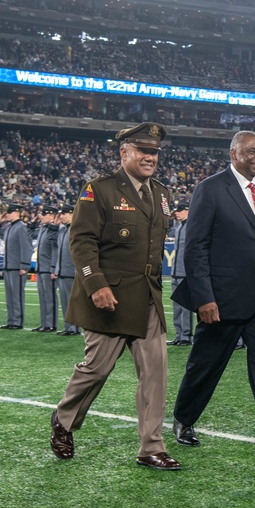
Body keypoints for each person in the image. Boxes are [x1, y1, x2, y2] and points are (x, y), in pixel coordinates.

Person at [50, 122, 181, 470]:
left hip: (148, 298)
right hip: (108, 298)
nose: (150, 157)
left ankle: (151, 446)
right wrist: (97, 285)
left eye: (154, 152)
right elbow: (81, 241)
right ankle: (63, 420)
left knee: (155, 374)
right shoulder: (100, 189)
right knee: (96, 369)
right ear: (124, 152)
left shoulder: (163, 194)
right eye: (143, 151)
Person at [170, 131, 255, 460]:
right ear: (234, 153)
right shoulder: (210, 188)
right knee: (205, 365)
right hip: (221, 298)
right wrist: (204, 298)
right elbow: (195, 248)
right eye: (251, 151)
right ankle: (184, 419)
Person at [0, 203, 32, 330]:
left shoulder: (21, 227)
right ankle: (11, 320)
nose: (7, 214)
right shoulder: (9, 228)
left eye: (10, 212)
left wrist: (24, 265)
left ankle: (17, 321)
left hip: (17, 267)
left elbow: (26, 247)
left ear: (17, 213)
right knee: (9, 296)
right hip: (9, 266)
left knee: (17, 296)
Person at [167, 200, 193, 346]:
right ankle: (179, 334)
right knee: (177, 305)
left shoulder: (192, 227)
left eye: (180, 210)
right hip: (175, 271)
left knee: (185, 306)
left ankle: (187, 335)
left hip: (184, 272)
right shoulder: (178, 227)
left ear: (188, 211)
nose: (177, 213)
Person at [52, 204, 81, 336]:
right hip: (62, 271)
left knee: (72, 302)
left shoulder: (76, 229)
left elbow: (78, 252)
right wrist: (55, 223)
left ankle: (74, 328)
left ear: (71, 214)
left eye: (64, 214)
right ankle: (68, 326)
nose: (61, 216)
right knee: (64, 301)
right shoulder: (63, 230)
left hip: (71, 272)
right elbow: (52, 241)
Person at [32, 206, 59, 333]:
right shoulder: (43, 229)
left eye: (44, 214)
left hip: (48, 268)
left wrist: (53, 268)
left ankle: (51, 324)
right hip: (41, 268)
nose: (41, 216)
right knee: (43, 298)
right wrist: (33, 221)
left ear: (52, 215)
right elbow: (28, 233)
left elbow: (55, 250)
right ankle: (44, 323)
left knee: (50, 297)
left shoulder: (54, 230)